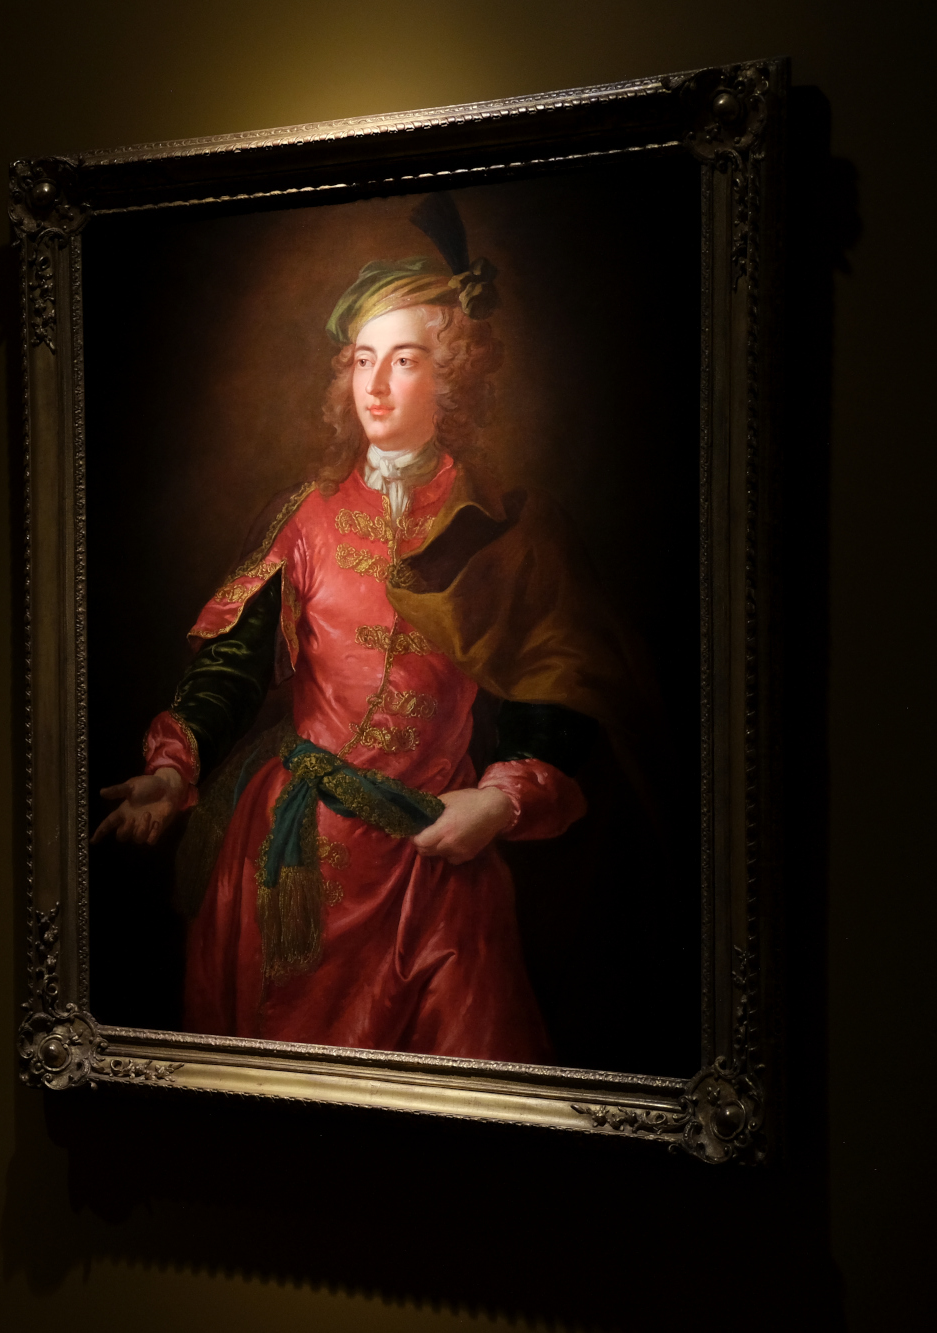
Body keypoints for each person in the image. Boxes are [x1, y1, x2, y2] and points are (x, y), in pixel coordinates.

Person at [91, 196, 646, 1064]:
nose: (376, 385)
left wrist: (498, 800)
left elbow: (558, 677)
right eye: (362, 361)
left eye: (405, 360)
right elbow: (235, 663)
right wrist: (173, 767)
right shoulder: (305, 517)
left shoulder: (507, 529)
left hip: (436, 849)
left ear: (450, 375)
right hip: (295, 854)